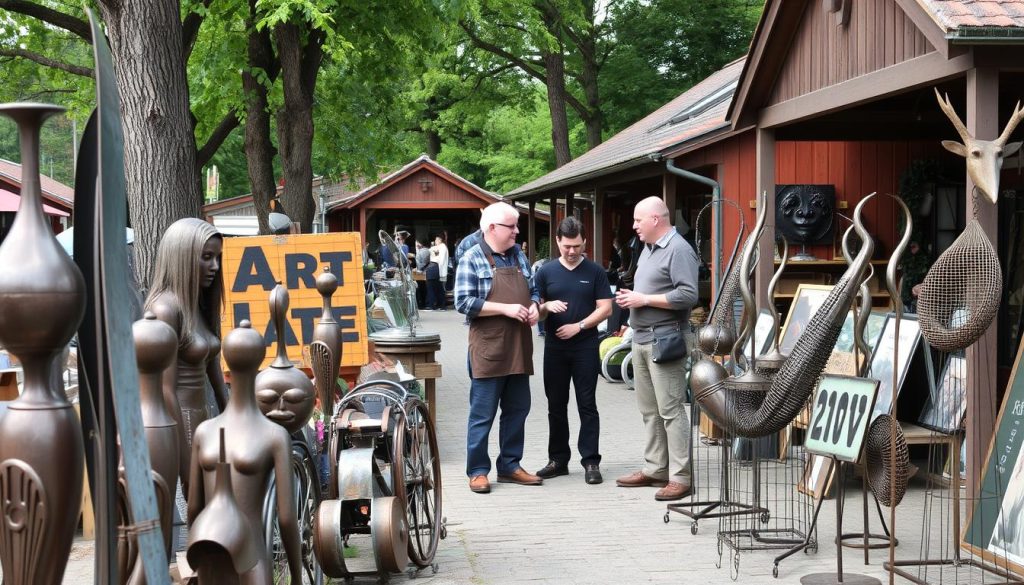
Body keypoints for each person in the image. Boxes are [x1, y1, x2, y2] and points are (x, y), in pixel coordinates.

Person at [614, 196, 699, 501]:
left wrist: (644, 300)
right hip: (641, 338)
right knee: (650, 411)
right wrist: (631, 305)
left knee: (671, 411)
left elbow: (689, 295)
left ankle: (680, 476)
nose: (634, 226)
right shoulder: (648, 249)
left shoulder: (678, 250)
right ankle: (655, 468)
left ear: (655, 220)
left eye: (638, 220)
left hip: (665, 341)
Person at [455, 202, 542, 493]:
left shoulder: (519, 256)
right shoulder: (472, 257)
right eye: (512, 226)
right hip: (488, 349)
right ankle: (478, 471)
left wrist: (535, 307)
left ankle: (510, 465)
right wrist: (504, 309)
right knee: (483, 414)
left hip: (519, 346)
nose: (517, 232)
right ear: (492, 228)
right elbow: (463, 302)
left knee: (518, 409)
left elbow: (534, 291)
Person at [144, 217, 228, 492]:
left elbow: (212, 365)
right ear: (182, 256)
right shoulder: (166, 309)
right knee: (196, 505)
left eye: (217, 257)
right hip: (181, 423)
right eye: (206, 257)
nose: (215, 267)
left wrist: (233, 413)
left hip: (203, 419)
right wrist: (185, 461)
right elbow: (165, 390)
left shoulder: (198, 304)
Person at [534, 217, 612, 484]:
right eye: (567, 246)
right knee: (556, 405)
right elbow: (537, 314)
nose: (571, 251)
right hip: (554, 348)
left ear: (584, 242)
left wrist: (578, 326)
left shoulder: (595, 271)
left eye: (577, 246)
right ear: (557, 241)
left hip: (585, 346)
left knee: (586, 404)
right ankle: (558, 460)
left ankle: (591, 461)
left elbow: (606, 308)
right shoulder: (545, 272)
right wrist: (546, 307)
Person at [428, 235, 449, 310]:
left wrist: (434, 259)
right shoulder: (440, 247)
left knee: (441, 289)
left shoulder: (443, 247)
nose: (435, 241)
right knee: (439, 288)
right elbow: (431, 249)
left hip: (440, 270)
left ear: (440, 240)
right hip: (439, 270)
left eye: (436, 240)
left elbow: (441, 260)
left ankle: (442, 305)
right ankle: (440, 305)